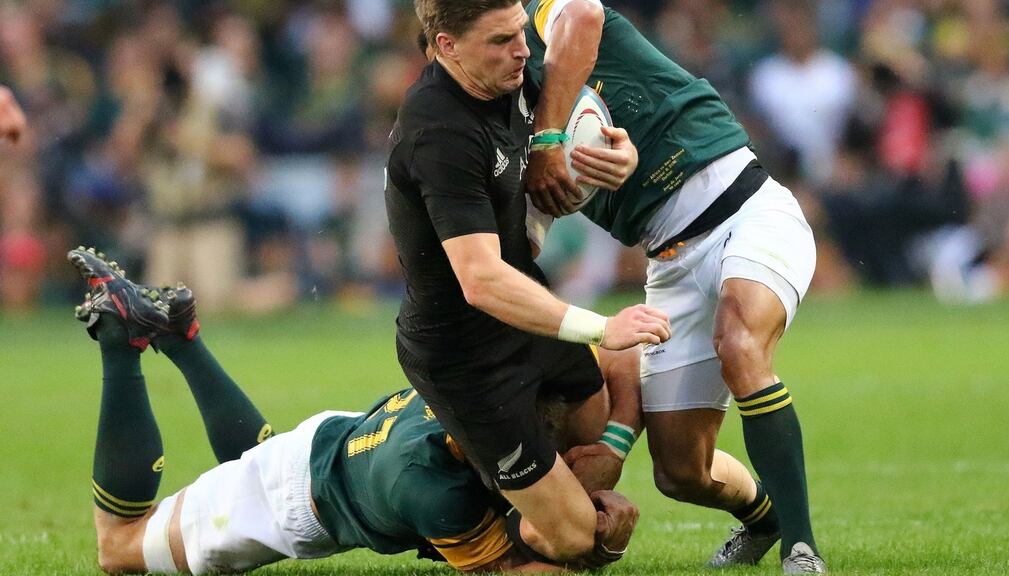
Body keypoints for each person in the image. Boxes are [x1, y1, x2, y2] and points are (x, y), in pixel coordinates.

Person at [67, 247, 639, 574]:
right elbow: (514, 572)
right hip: (298, 502)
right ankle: (124, 343)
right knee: (117, 547)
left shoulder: (491, 388)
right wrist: (599, 547)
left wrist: (612, 443)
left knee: (256, 460)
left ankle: (181, 335)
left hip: (330, 444)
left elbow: (624, 360)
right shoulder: (436, 490)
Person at [522, 1, 825, 573]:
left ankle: (802, 550)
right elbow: (527, 233)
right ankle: (768, 518)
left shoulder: (539, 15)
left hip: (747, 208)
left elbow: (585, 16)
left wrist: (548, 138)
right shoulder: (499, 121)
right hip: (669, 260)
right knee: (681, 473)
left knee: (738, 344)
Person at [387, 0, 670, 565]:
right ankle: (475, 531)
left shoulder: (511, 77)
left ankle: (512, 490)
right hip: (466, 358)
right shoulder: (438, 131)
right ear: (447, 47)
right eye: (500, 41)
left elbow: (583, 87)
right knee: (576, 541)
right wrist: (598, 326)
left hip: (526, 313)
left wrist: (619, 154)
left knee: (600, 421)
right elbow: (481, 280)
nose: (522, 50)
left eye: (521, 33)